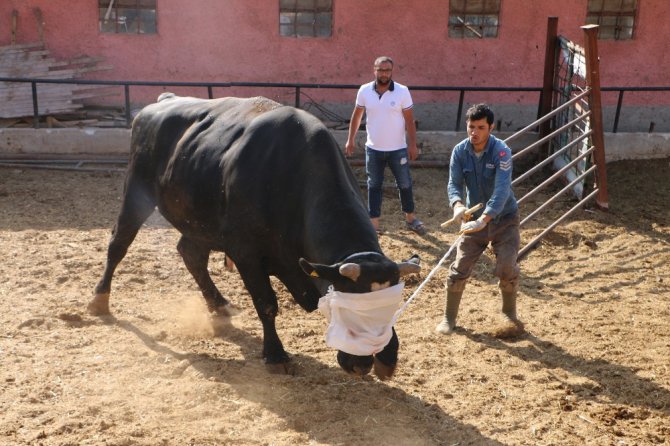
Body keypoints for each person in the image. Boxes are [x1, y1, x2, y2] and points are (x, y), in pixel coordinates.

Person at [436, 103, 524, 337]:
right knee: (459, 268)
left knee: (506, 266)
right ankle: (449, 318)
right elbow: (454, 183)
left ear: (491, 128)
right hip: (472, 219)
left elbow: (502, 189)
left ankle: (509, 314)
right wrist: (457, 205)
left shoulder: (501, 152)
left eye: (481, 127)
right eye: (471, 127)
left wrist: (484, 219)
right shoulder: (460, 151)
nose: (474, 132)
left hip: (504, 219)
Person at [345, 56, 425, 235]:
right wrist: (351, 139)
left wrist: (412, 145)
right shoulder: (364, 91)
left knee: (404, 184)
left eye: (387, 70)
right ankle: (373, 224)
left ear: (392, 71)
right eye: (380, 70)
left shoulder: (402, 91)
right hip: (373, 149)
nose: (384, 74)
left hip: (398, 149)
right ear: (374, 70)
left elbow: (409, 121)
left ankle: (411, 219)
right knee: (374, 186)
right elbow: (357, 116)